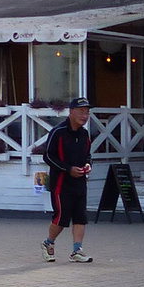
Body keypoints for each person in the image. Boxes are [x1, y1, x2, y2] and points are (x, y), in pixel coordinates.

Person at [41, 97, 95, 263]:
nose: (84, 116)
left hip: (80, 182)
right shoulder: (58, 132)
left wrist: (88, 165)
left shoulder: (85, 134)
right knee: (62, 218)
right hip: (61, 183)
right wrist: (68, 169)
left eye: (86, 112)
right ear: (71, 112)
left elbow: (88, 155)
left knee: (80, 216)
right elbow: (48, 156)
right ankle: (48, 243)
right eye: (81, 112)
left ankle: (77, 251)